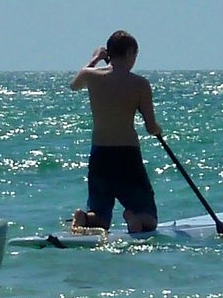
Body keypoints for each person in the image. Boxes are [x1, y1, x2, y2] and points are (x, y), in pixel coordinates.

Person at [69, 30, 161, 236]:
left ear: (109, 54)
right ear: (129, 53)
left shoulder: (90, 76)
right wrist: (158, 130)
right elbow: (150, 127)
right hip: (127, 154)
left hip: (100, 153)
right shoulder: (139, 84)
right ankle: (136, 218)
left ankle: (85, 217)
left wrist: (95, 58)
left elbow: (74, 85)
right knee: (149, 217)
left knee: (100, 218)